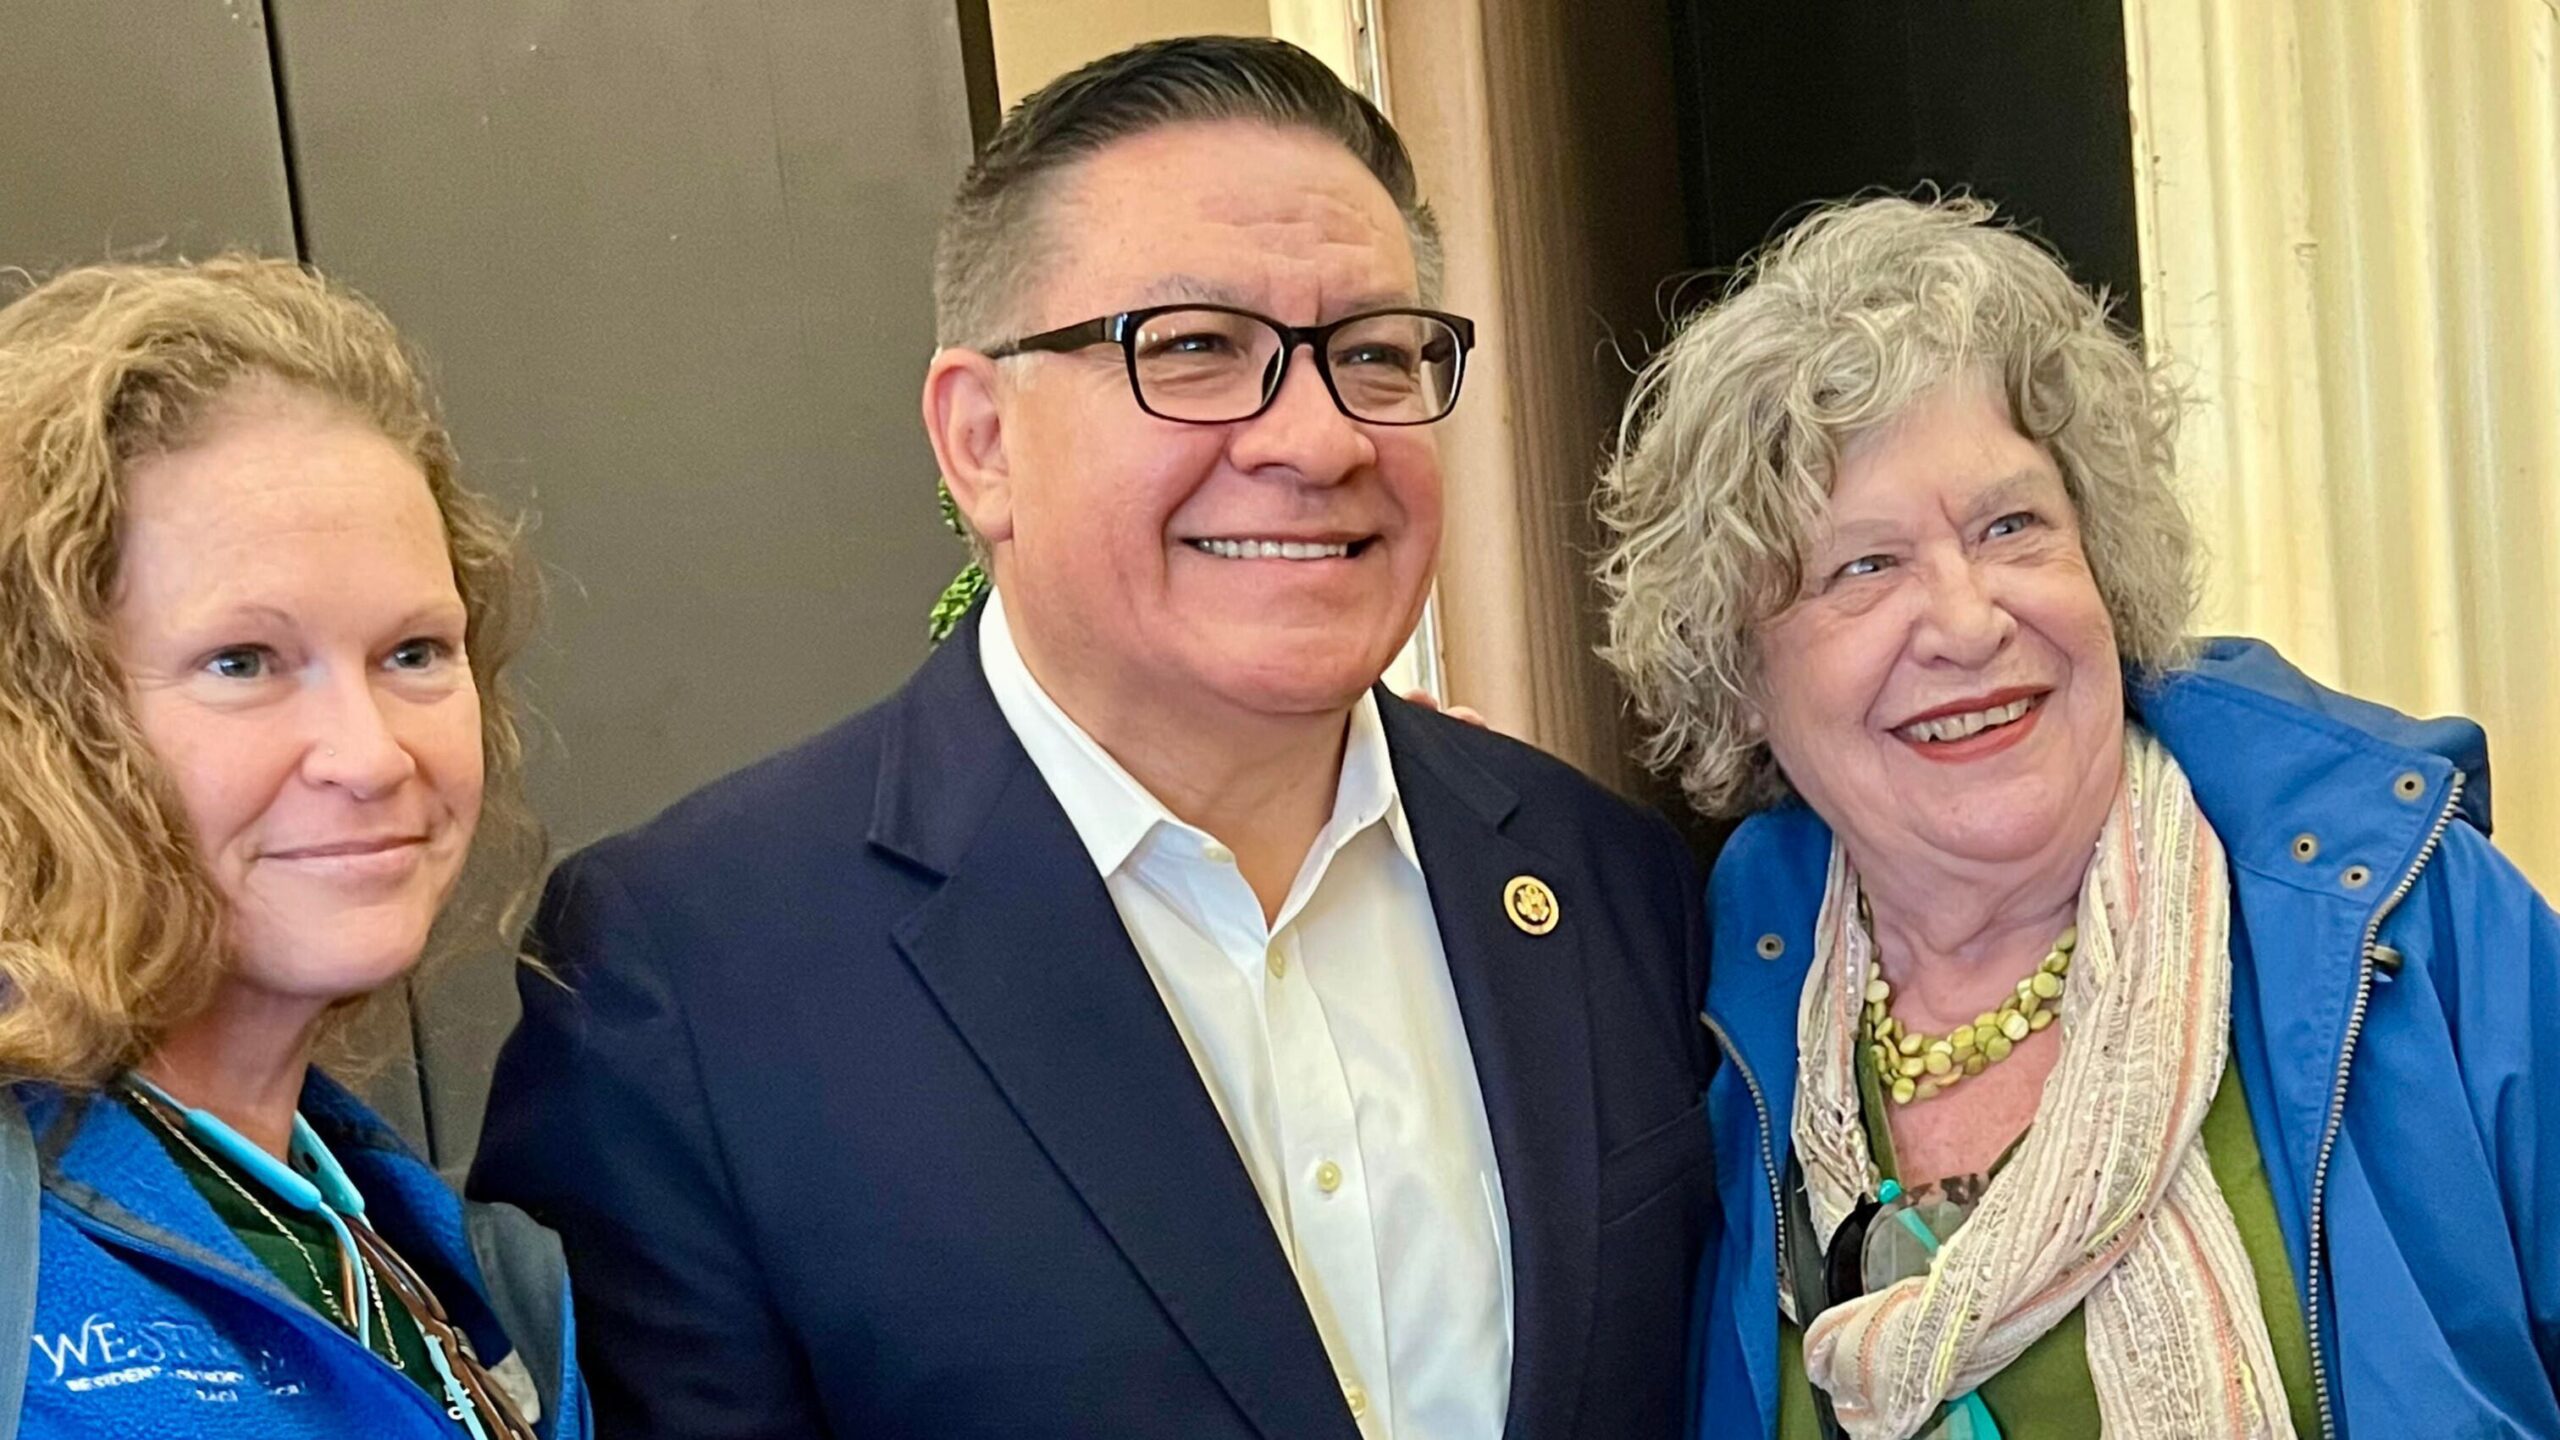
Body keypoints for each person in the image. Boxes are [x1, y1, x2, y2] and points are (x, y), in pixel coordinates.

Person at [469, 34, 1713, 1440]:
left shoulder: (1604, 881)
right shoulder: (689, 979)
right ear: (981, 441)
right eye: (1194, 349)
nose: (1316, 439)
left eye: (1374, 354)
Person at [1595, 193, 2560, 1440]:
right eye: (1863, 567)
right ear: (1738, 675)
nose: (1967, 620)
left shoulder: (2411, 922)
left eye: (2012, 527)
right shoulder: (1715, 1023)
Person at [0, 257, 586, 1438]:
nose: (368, 756)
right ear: (42, 718)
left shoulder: (460, 1275)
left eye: (414, 651)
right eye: (244, 664)